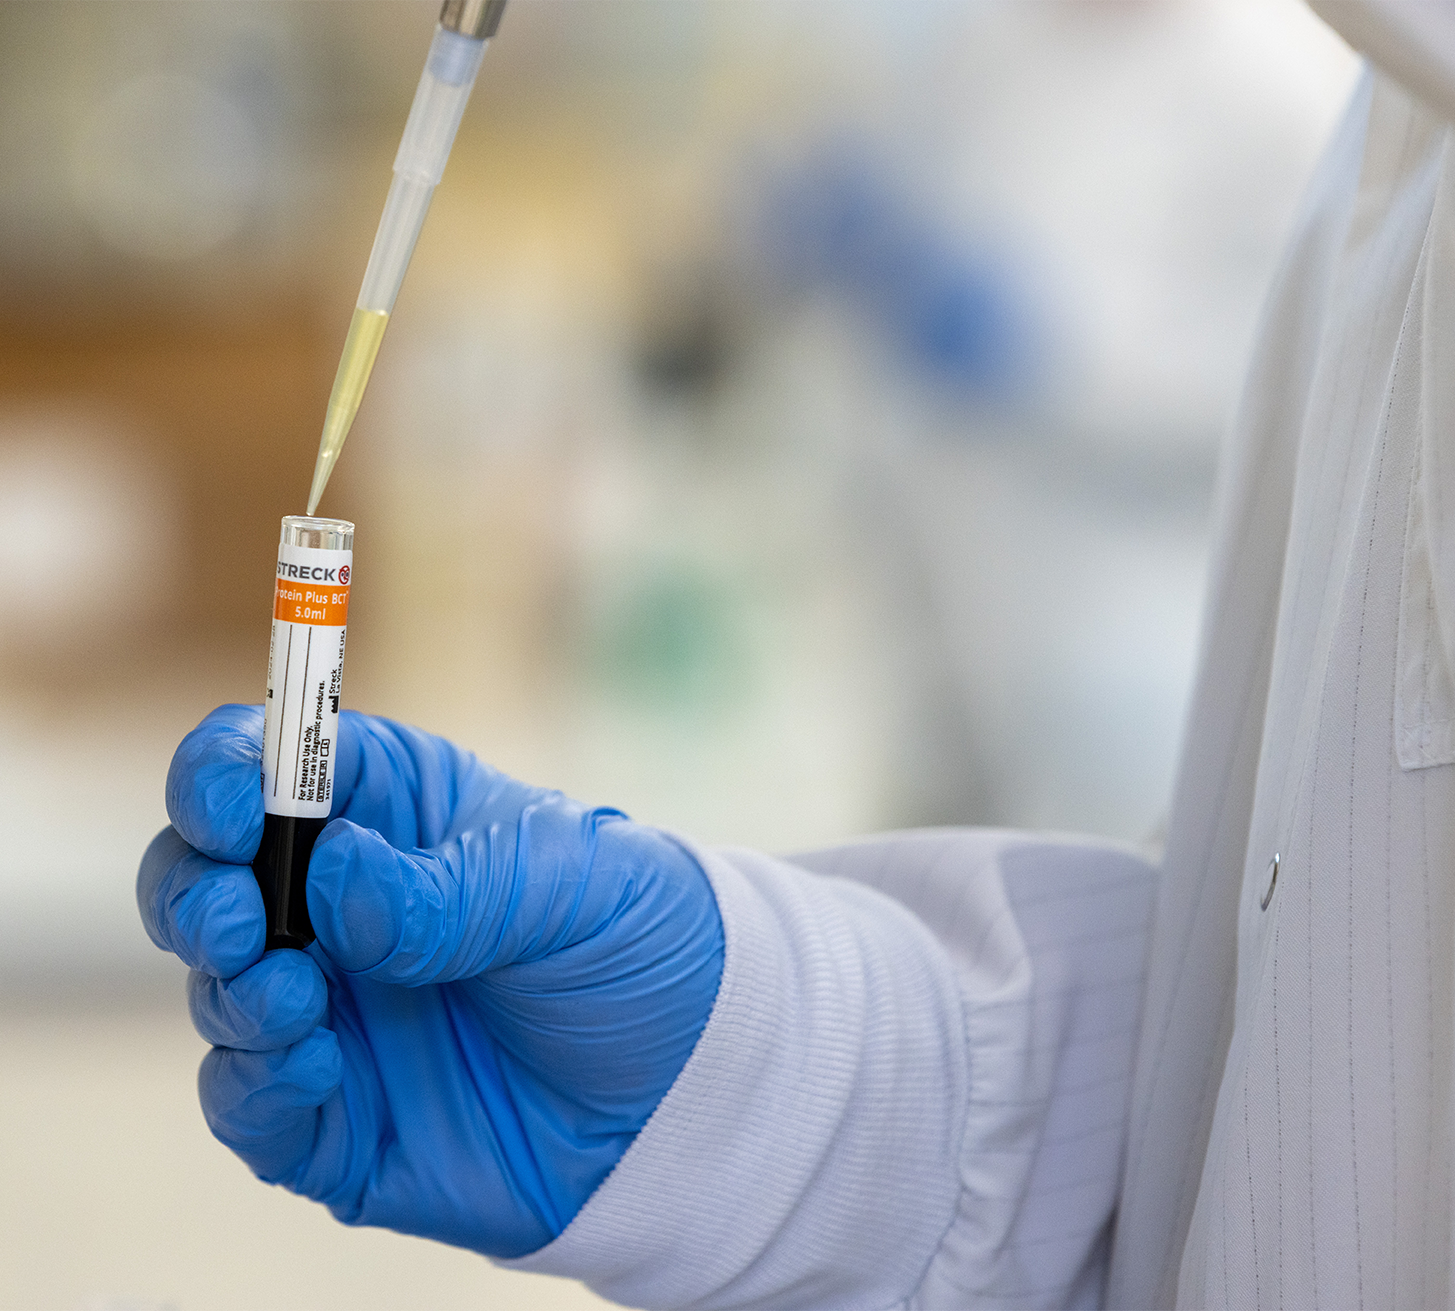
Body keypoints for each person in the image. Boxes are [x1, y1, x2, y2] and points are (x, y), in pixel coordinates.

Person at [137, 1, 1455, 1306]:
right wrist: (748, 1057)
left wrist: (1048, 349)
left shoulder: (1288, 77)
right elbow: (1255, 1084)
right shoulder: (1377, 117)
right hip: (983, 655)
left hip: (1115, 643)